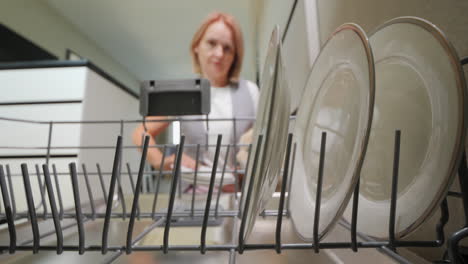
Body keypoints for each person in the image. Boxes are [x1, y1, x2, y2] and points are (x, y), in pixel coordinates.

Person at [132, 12, 258, 188]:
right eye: (212, 43)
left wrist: (244, 170)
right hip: (192, 201)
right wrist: (163, 161)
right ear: (197, 46)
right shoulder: (183, 92)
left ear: (235, 56)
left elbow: (259, 145)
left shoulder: (250, 92)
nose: (219, 53)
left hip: (238, 197)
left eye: (227, 48)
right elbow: (141, 133)